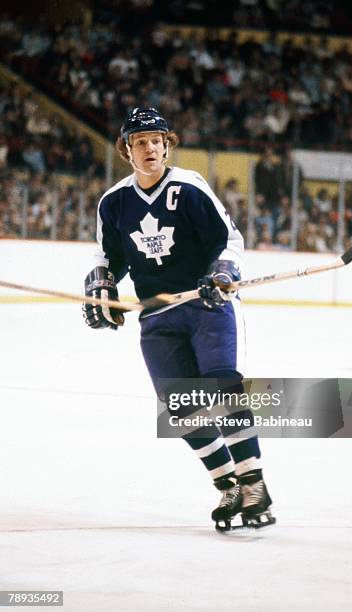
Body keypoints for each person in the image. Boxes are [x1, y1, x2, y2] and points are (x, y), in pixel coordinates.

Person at [82, 107, 274, 531]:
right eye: (140, 142)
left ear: (167, 144)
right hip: (158, 316)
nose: (149, 148)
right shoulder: (113, 202)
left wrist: (223, 272)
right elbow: (107, 257)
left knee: (222, 388)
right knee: (184, 409)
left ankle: (254, 483)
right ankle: (228, 485)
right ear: (126, 150)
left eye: (156, 140)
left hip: (208, 306)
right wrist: (102, 285)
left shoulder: (188, 188)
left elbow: (229, 240)